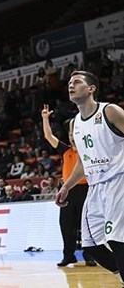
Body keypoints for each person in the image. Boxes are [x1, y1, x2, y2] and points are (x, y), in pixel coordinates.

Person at [56, 71, 124, 285]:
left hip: (118, 182)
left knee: (117, 239)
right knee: (91, 245)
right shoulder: (74, 124)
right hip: (95, 188)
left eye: (76, 82)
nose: (70, 85)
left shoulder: (110, 111)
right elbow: (83, 162)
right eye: (69, 83)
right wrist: (66, 187)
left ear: (91, 88)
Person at [42, 104, 96, 267]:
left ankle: (90, 255)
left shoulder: (88, 150)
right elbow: (48, 136)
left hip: (86, 189)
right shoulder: (65, 150)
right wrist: (45, 119)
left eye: (74, 134)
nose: (72, 136)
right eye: (70, 134)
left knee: (87, 225)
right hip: (67, 191)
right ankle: (69, 255)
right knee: (66, 225)